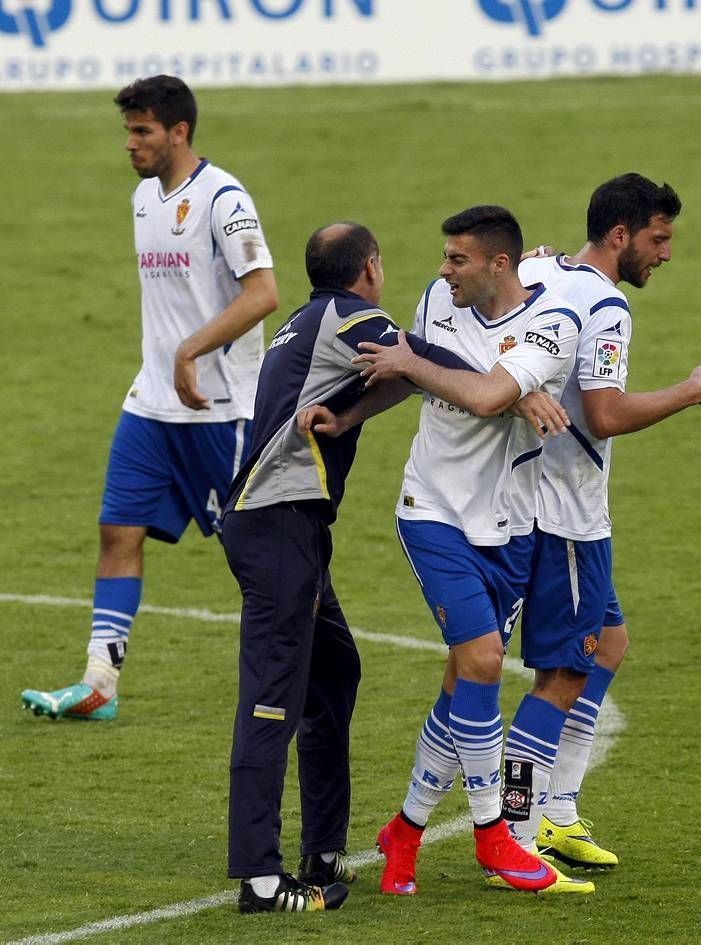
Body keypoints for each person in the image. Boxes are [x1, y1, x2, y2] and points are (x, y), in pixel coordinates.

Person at [332, 205, 591, 896]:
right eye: (444, 257)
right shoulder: (434, 302)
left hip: (509, 525)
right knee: (481, 661)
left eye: (457, 260)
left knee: (461, 685)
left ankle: (406, 832)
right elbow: (410, 376)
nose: (442, 270)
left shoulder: (552, 326)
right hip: (432, 511)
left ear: (498, 265)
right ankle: (492, 835)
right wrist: (350, 412)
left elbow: (479, 393)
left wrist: (496, 391)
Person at [221, 221, 478, 914]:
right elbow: (425, 358)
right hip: (278, 527)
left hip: (289, 525)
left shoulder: (311, 321)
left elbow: (394, 376)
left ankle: (324, 851)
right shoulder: (353, 316)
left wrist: (354, 409)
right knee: (273, 695)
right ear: (371, 267)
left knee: (334, 672)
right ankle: (260, 877)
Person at [21, 75, 278, 722]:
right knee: (117, 529)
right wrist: (170, 362)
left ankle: (308, 672)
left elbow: (263, 294)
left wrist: (191, 351)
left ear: (179, 132)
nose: (129, 144)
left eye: (142, 132)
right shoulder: (143, 198)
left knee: (256, 556)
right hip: (152, 403)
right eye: (127, 131)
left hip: (220, 409)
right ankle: (99, 681)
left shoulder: (224, 198)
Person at [495, 173, 701, 871]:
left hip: (522, 498)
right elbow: (604, 414)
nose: (665, 254)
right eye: (658, 239)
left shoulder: (538, 267)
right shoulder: (607, 303)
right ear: (621, 235)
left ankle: (558, 811)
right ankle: (517, 828)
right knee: (565, 672)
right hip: (566, 512)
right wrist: (689, 391)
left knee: (610, 643)